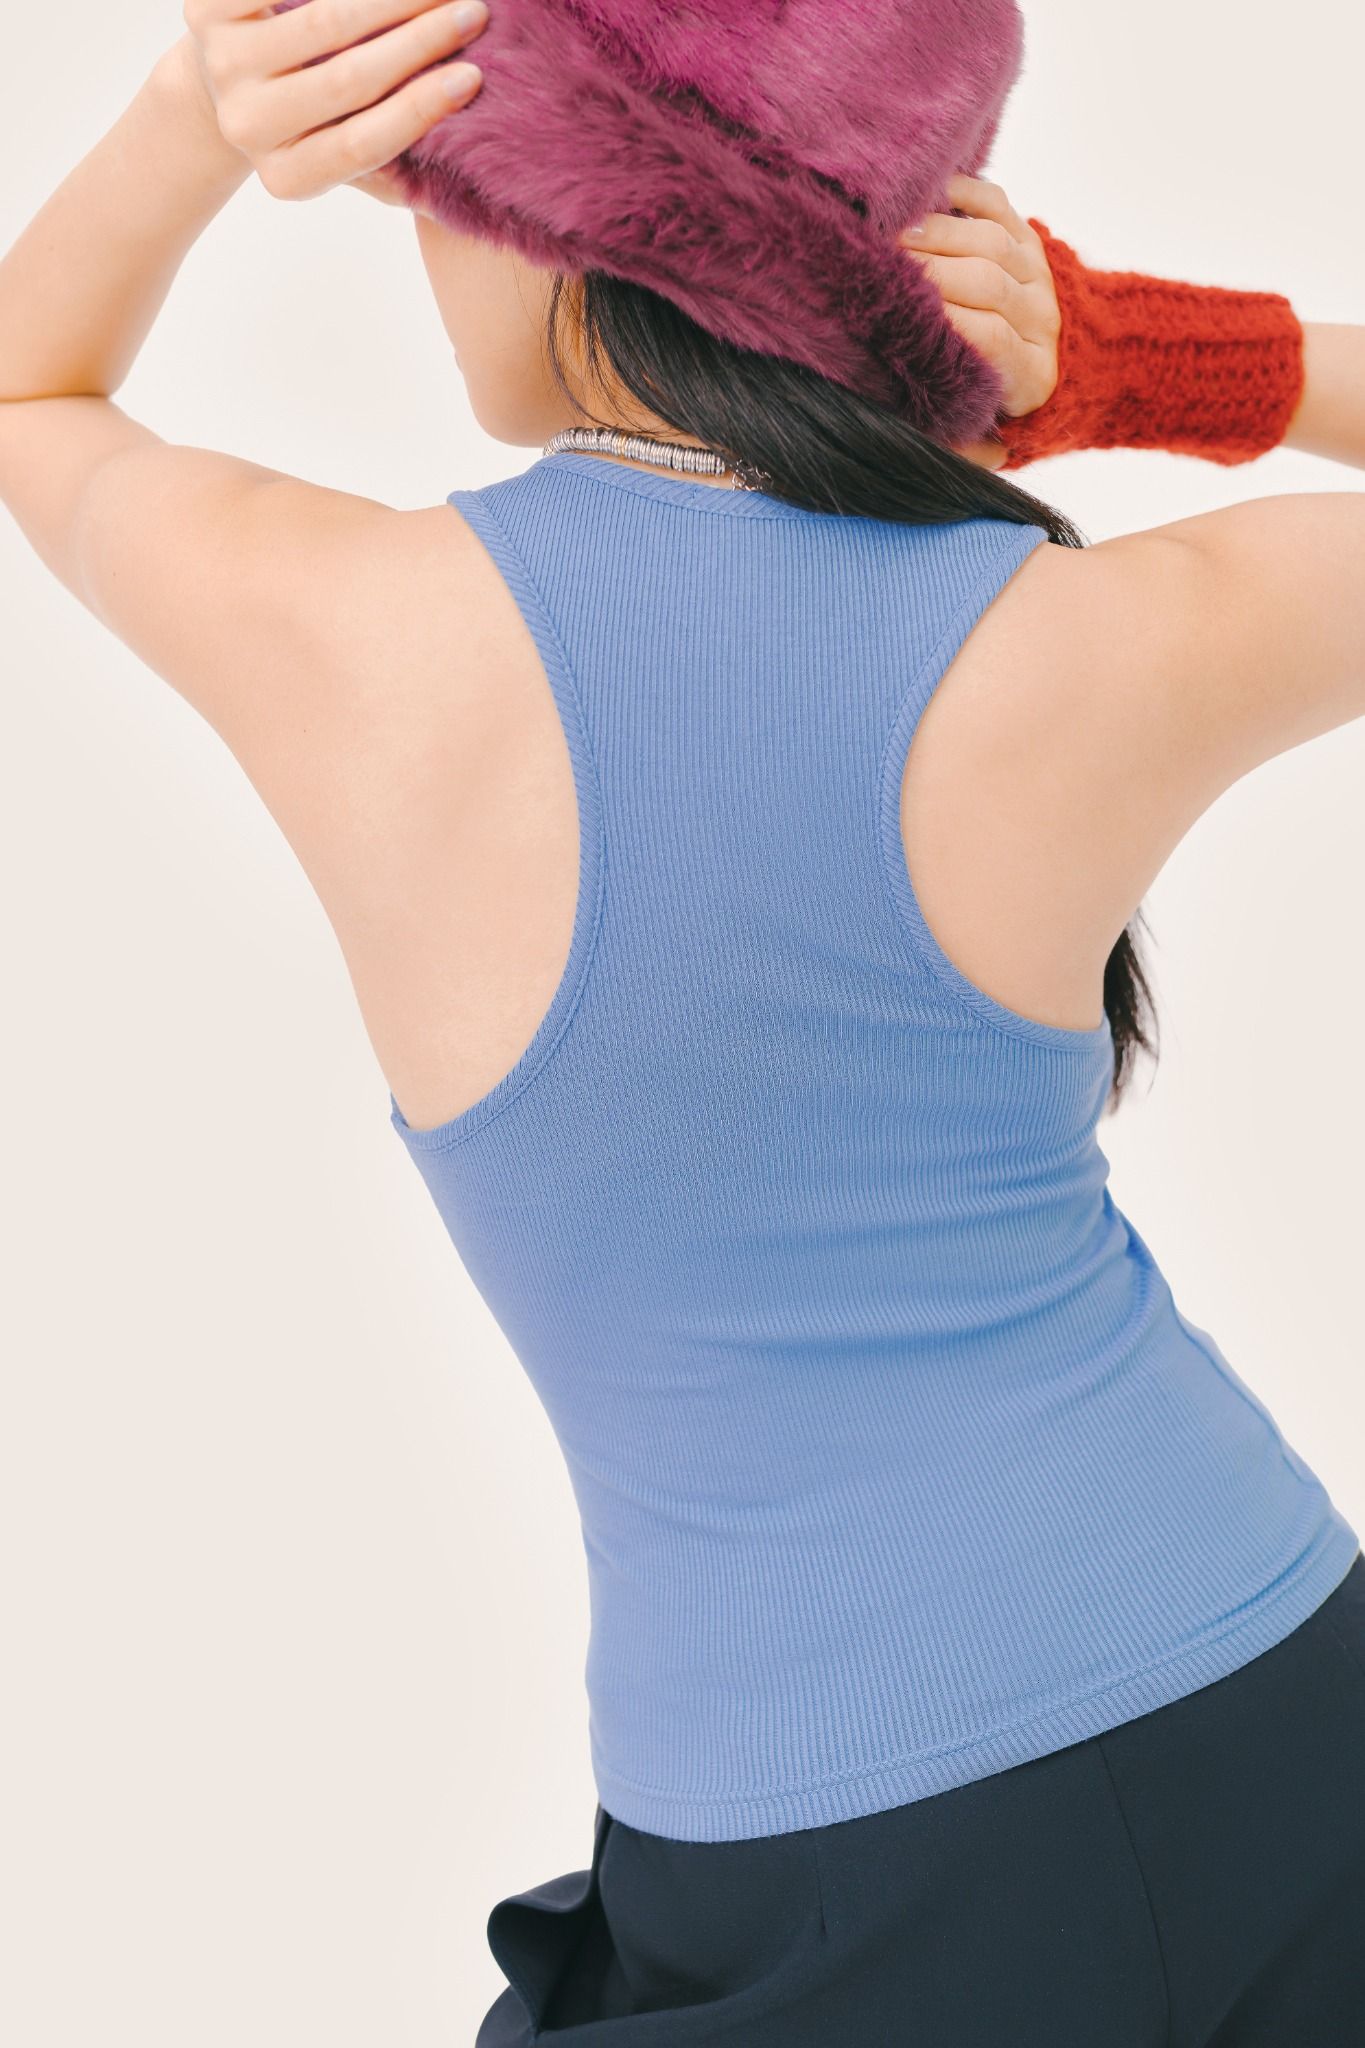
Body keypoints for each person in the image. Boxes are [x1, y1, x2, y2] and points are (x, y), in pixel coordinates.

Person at [2, 2, 1363, 2040]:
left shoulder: (351, 638)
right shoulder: (1089, 640)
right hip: (1270, 1701)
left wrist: (189, 124)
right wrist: (1131, 358)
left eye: (431, 193)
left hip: (838, 1842)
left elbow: (27, 390)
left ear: (563, 220)